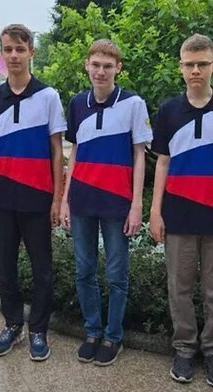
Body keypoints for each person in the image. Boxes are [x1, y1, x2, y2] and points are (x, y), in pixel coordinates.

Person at [149, 33, 213, 387]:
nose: (195, 70)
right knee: (179, 288)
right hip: (178, 213)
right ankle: (184, 349)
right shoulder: (168, 111)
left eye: (202, 64)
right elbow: (162, 163)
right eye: (189, 64)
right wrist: (155, 211)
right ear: (180, 67)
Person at [60, 39, 153, 366]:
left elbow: (140, 155)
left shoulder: (133, 103)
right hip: (82, 199)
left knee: (116, 274)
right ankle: (92, 331)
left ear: (118, 68)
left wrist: (136, 205)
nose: (101, 71)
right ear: (87, 65)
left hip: (117, 202)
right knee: (84, 270)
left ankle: (113, 336)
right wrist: (65, 199)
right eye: (96, 65)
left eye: (108, 66)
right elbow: (75, 152)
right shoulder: (77, 103)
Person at [0, 24, 66, 361]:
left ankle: (38, 330)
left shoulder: (48, 96)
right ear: (1, 53)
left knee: (42, 269)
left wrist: (57, 198)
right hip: (3, 198)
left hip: (37, 197)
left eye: (20, 49)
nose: (14, 55)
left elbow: (57, 150)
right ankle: (12, 324)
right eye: (8, 49)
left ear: (31, 52)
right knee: (6, 269)